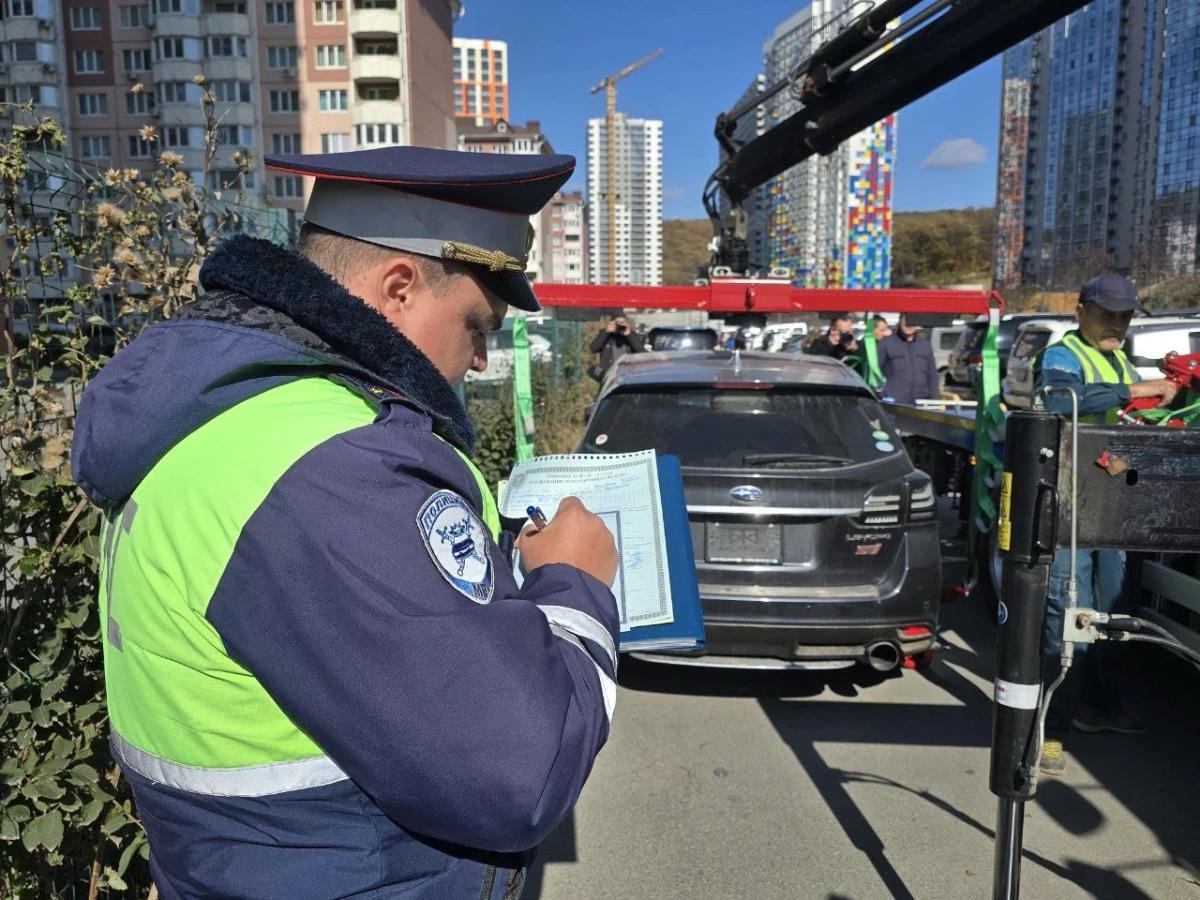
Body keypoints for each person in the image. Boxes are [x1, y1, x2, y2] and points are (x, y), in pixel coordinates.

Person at [70, 146, 622, 898]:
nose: (483, 359)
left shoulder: (229, 415)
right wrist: (575, 584)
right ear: (398, 289)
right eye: (476, 324)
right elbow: (522, 774)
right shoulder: (334, 467)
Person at [1035, 272, 1178, 776]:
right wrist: (1135, 389)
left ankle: (1099, 705)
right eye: (1107, 315)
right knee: (1065, 615)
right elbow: (1060, 404)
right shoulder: (1061, 356)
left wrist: (1135, 465)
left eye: (1125, 316)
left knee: (1111, 612)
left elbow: (1106, 441)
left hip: (1107, 505)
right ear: (1080, 311)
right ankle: (1049, 729)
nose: (1117, 324)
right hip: (1072, 508)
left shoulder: (1115, 357)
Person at [877, 313, 940, 404]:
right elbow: (875, 373)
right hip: (895, 402)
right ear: (900, 321)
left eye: (912, 322)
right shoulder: (886, 344)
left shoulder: (925, 345)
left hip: (922, 401)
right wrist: (882, 395)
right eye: (905, 321)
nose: (909, 325)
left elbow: (932, 374)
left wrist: (935, 400)